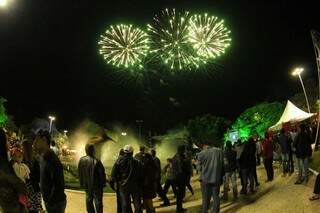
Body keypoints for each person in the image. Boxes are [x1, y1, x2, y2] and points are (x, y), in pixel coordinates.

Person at [33, 130, 67, 213]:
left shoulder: (53, 160)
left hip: (55, 204)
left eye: (36, 140)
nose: (34, 144)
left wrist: (50, 201)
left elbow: (59, 185)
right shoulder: (42, 157)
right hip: (49, 202)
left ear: (44, 140)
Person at [0, 128, 26, 213]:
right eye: (7, 140)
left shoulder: (7, 162)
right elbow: (19, 185)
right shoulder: (3, 165)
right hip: (11, 206)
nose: (8, 143)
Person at [111, 145, 143, 213]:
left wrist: (114, 186)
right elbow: (141, 175)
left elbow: (113, 175)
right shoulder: (137, 162)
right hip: (135, 185)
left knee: (125, 204)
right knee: (137, 203)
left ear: (124, 152)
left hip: (123, 186)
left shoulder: (118, 162)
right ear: (132, 152)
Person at [78, 144, 107, 213]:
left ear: (86, 150)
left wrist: (82, 183)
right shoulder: (97, 161)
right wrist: (103, 184)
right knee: (98, 203)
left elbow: (79, 173)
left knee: (89, 202)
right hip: (96, 186)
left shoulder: (81, 160)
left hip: (87, 186)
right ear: (93, 151)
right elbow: (102, 174)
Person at [197, 142, 224, 213]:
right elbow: (222, 164)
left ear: (204, 146)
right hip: (216, 178)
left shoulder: (201, 154)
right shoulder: (219, 151)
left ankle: (205, 211)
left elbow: (198, 168)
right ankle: (216, 211)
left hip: (205, 179)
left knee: (205, 197)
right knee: (216, 196)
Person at [22, 139, 43, 213]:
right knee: (34, 210)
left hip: (27, 192)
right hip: (35, 190)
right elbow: (39, 177)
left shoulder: (22, 162)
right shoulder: (35, 161)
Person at [172, 145, 188, 212]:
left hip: (176, 178)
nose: (185, 151)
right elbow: (181, 169)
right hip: (180, 178)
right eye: (184, 150)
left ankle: (179, 208)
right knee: (180, 195)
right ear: (181, 150)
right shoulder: (180, 158)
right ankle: (179, 209)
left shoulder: (174, 157)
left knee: (179, 195)